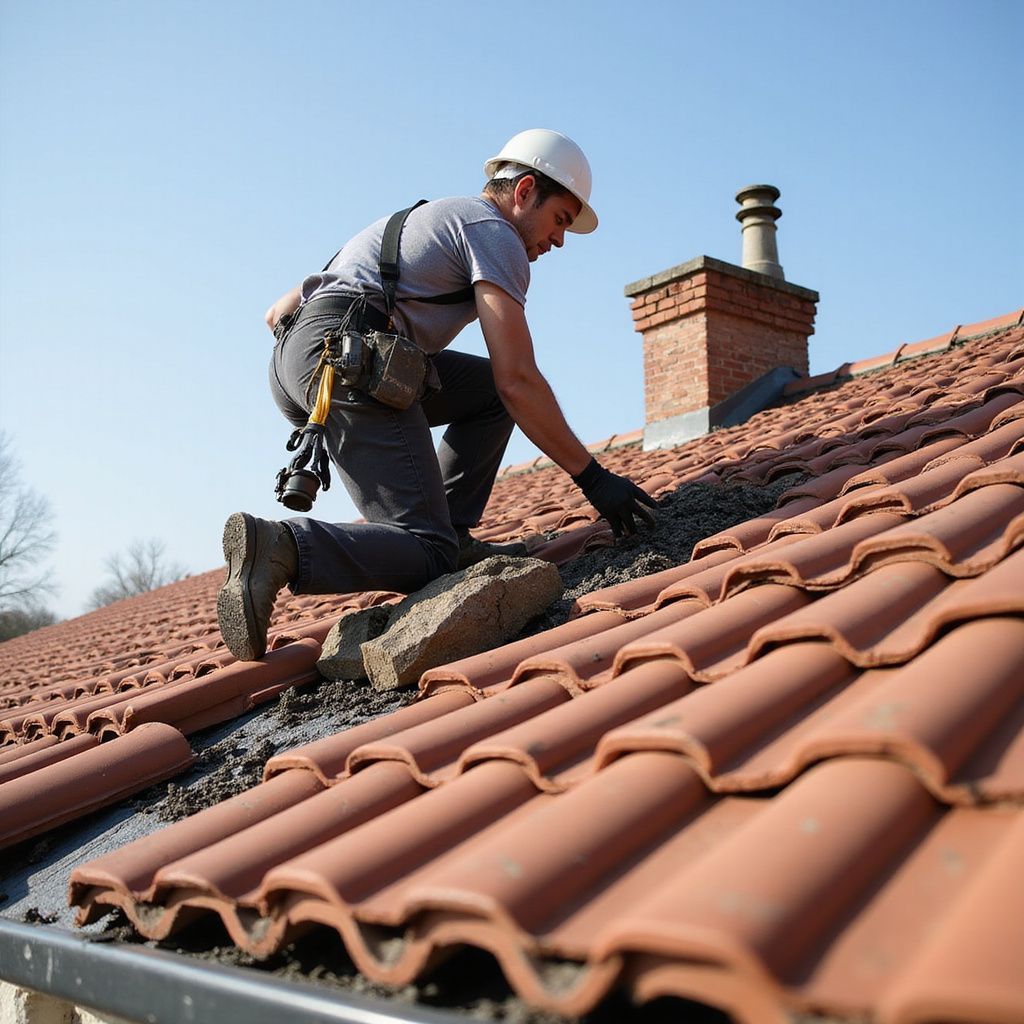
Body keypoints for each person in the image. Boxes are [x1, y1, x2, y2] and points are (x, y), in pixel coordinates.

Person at [218, 129, 657, 662]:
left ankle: (452, 530)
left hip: (304, 357)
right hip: (349, 361)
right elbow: (517, 378)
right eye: (560, 219)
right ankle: (283, 547)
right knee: (427, 550)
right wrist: (593, 477)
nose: (558, 240)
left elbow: (279, 310)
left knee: (485, 399)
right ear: (523, 193)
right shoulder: (495, 234)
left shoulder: (436, 216)